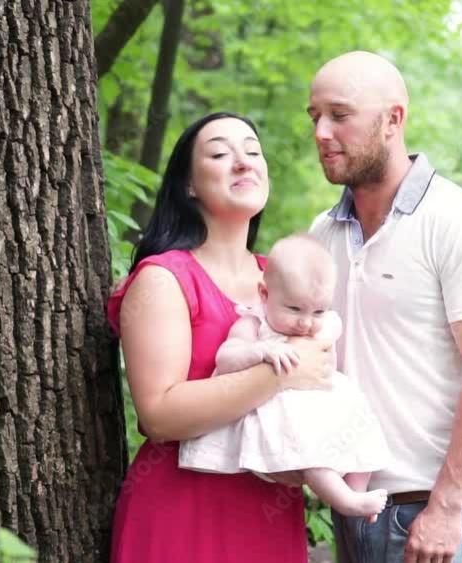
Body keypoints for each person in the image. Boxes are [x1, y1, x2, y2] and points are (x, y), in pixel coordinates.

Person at [308, 51, 462, 563]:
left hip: (435, 516)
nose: (321, 132)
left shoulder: (458, 221)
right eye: (314, 117)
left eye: (339, 114)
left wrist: (446, 506)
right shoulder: (321, 234)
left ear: (393, 120)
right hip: (353, 508)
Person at [107, 112, 333, 562]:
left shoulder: (283, 279)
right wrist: (282, 374)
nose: (243, 162)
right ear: (188, 185)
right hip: (184, 512)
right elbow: (160, 415)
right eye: (219, 153)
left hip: (270, 510)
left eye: (252, 151)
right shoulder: (165, 277)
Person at [178, 233, 391, 520]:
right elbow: (225, 359)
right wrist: (260, 351)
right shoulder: (254, 323)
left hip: (323, 403)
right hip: (287, 417)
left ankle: (358, 489)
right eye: (294, 309)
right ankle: (346, 501)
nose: (306, 323)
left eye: (319, 311)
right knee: (313, 456)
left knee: (364, 433)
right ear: (265, 294)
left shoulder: (325, 325)